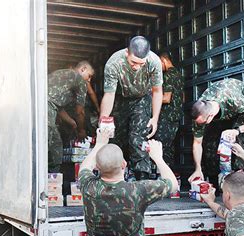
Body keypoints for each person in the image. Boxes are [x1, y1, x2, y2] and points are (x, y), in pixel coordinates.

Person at [100, 36, 163, 180]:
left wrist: (155, 118)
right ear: (127, 52)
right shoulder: (114, 63)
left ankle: (142, 178)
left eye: (141, 64)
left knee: (138, 138)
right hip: (120, 98)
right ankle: (114, 176)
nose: (137, 67)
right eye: (134, 62)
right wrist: (104, 119)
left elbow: (157, 91)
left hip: (142, 98)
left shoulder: (154, 62)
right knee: (116, 137)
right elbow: (109, 94)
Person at [187, 78, 244, 185]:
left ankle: (239, 181)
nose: (200, 125)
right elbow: (197, 143)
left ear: (210, 118)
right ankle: (214, 182)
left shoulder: (236, 101)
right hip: (220, 109)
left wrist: (237, 131)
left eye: (203, 122)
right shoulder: (200, 113)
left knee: (238, 141)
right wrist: (198, 168)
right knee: (210, 142)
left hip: (239, 102)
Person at [48, 60, 94, 172]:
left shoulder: (61, 73)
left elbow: (58, 107)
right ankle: (50, 180)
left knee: (55, 144)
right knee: (51, 146)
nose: (89, 80)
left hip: (40, 107)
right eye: (89, 76)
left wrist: (72, 122)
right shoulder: (80, 80)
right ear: (83, 69)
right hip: (46, 108)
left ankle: (52, 180)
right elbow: (80, 111)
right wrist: (81, 130)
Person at [153, 52, 184, 166]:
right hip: (175, 117)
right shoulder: (178, 74)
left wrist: (152, 99)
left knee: (161, 147)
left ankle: (163, 177)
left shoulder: (168, 75)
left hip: (166, 117)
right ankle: (171, 175)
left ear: (164, 60)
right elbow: (182, 97)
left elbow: (166, 98)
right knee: (169, 147)